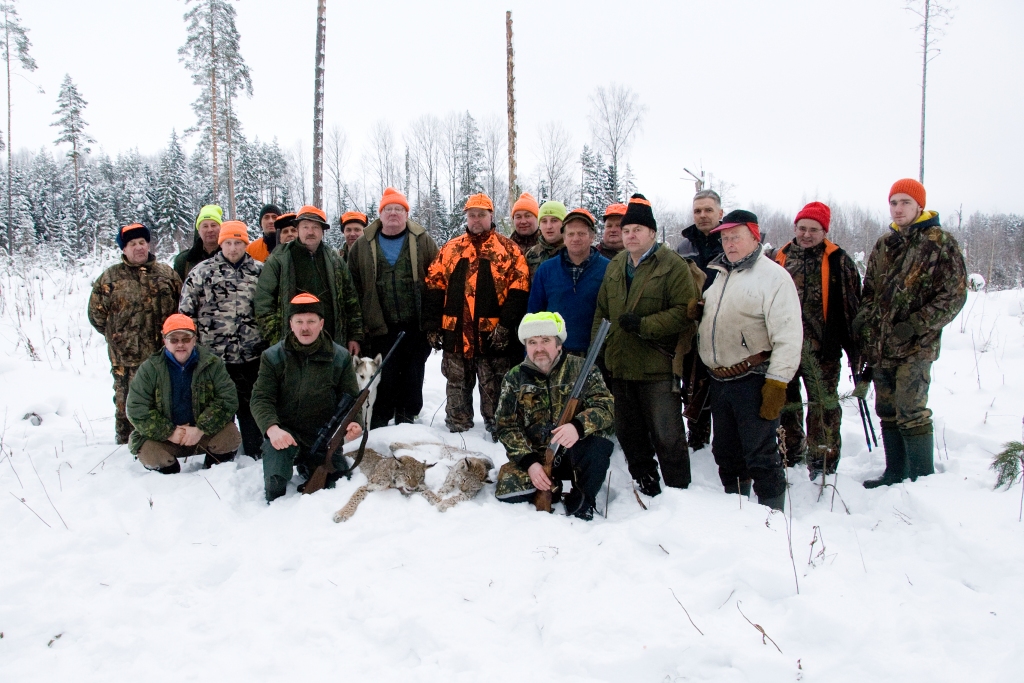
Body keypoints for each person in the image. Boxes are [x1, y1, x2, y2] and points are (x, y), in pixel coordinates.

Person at [854, 179, 966, 488]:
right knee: (887, 409)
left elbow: (954, 295)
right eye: (893, 202)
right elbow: (870, 290)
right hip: (882, 345)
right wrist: (865, 321)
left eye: (905, 202)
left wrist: (916, 324)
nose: (898, 208)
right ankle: (895, 473)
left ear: (919, 205)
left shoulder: (939, 242)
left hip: (917, 345)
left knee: (911, 408)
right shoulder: (884, 244)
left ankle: (922, 481)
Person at [593, 193, 698, 495]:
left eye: (637, 230)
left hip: (657, 367)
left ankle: (679, 491)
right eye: (626, 230)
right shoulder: (616, 266)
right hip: (621, 365)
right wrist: (597, 352)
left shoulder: (672, 265)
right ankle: (646, 482)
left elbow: (685, 311)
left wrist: (644, 325)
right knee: (629, 434)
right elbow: (602, 311)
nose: (630, 235)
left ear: (652, 232)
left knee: (667, 435)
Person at [697, 210, 802, 510]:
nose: (729, 243)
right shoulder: (721, 274)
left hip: (753, 379)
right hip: (720, 380)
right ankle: (738, 511)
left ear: (755, 238)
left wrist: (777, 383)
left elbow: (788, 334)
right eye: (725, 238)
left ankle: (772, 516)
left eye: (736, 237)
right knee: (726, 453)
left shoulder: (774, 277)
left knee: (761, 454)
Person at [424, 193, 530, 439]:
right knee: (456, 386)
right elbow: (434, 285)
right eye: (472, 215)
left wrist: (505, 326)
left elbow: (519, 289)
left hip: (491, 336)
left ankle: (498, 431)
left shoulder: (508, 249)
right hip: (455, 333)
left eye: (482, 215)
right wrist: (432, 325)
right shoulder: (451, 248)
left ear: (491, 216)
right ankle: (457, 431)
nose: (476, 219)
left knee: (494, 388)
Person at [769, 202, 861, 479]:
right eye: (802, 228)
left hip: (824, 350)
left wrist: (854, 346)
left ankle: (823, 463)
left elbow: (852, 305)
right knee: (786, 404)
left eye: (814, 230)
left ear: (824, 232)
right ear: (795, 228)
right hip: (785, 347)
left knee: (823, 408)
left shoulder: (838, 260)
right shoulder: (780, 258)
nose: (807, 234)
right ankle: (789, 453)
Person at [493, 312, 614, 520]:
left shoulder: (582, 369)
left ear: (558, 345)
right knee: (507, 490)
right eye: (532, 342)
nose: (539, 348)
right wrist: (530, 463)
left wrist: (577, 427)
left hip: (574, 453)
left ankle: (582, 502)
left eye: (545, 341)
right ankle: (551, 487)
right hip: (537, 457)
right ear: (526, 346)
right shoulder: (514, 378)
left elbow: (606, 406)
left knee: (599, 445)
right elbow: (506, 426)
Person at [250, 294, 363, 502]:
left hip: (324, 436)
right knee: (275, 483)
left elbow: (352, 399)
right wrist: (272, 429)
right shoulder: (272, 357)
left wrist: (355, 423)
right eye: (299, 321)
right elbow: (261, 398)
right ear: (290, 324)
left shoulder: (340, 357)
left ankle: (309, 467)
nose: (305, 328)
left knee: (339, 483)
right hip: (286, 434)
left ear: (321, 324)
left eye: (311, 321)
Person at [348, 188, 439, 428]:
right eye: (388, 209)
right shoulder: (362, 245)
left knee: (413, 373)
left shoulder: (422, 240)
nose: (393, 213)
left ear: (406, 214)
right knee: (385, 374)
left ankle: (407, 416)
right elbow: (352, 289)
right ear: (380, 214)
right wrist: (358, 328)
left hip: (415, 324)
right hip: (379, 325)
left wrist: (433, 322)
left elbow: (437, 280)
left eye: (399, 209)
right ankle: (380, 418)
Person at [179, 220, 266, 458]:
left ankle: (253, 451)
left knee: (251, 406)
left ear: (245, 244)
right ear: (221, 244)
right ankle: (220, 452)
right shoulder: (202, 272)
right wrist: (192, 347)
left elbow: (270, 309)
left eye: (238, 243)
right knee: (217, 406)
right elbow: (186, 314)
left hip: (251, 355)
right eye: (228, 243)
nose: (233, 248)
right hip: (214, 356)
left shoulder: (260, 271)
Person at [88, 223, 182, 444]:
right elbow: (97, 316)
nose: (138, 247)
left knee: (164, 397)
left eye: (142, 242)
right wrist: (119, 337)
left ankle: (164, 441)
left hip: (163, 353)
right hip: (126, 356)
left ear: (148, 244)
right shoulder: (109, 279)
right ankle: (126, 442)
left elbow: (181, 308)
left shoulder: (167, 274)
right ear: (124, 249)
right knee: (126, 400)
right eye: (132, 244)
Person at [125, 314, 241, 473]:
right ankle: (170, 476)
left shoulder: (213, 364)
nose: (180, 344)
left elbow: (228, 399)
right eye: (174, 340)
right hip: (166, 439)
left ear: (194, 339)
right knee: (150, 453)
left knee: (230, 436)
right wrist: (169, 432)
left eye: (186, 339)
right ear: (165, 340)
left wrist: (200, 428)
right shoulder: (150, 369)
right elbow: (136, 408)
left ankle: (214, 472)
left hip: (203, 435)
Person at [254, 205, 363, 353]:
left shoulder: (335, 260)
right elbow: (263, 303)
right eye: (305, 227)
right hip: (292, 347)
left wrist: (354, 336)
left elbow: (351, 301)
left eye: (315, 227)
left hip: (331, 342)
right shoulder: (279, 260)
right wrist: (277, 338)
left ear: (322, 231)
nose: (310, 232)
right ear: (297, 229)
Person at [676, 189, 726, 451]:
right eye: (697, 211)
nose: (703, 215)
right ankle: (697, 443)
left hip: (725, 329)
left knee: (723, 386)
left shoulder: (730, 242)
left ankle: (725, 443)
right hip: (693, 328)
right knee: (694, 385)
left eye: (708, 210)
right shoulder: (684, 247)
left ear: (720, 213)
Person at [528, 208, 610, 355]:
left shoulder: (608, 269)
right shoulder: (546, 270)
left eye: (581, 234)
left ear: (592, 237)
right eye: (570, 234)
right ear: (564, 238)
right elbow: (534, 315)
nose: (575, 238)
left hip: (595, 354)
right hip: (554, 354)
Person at [173, 205, 223, 281]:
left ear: (221, 228)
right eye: (205, 226)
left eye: (213, 225)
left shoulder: (231, 257)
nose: (210, 230)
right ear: (198, 230)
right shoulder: (184, 260)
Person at [525, 200, 566, 277]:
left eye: (554, 221)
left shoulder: (573, 252)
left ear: (564, 224)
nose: (549, 226)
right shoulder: (531, 254)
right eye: (544, 221)